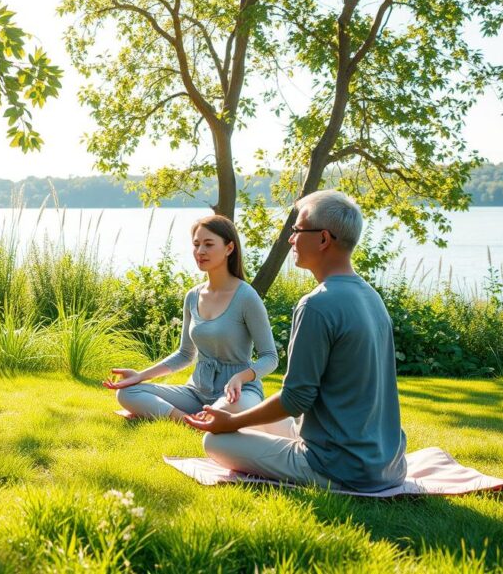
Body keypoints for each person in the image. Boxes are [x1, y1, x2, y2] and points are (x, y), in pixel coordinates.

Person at [186, 190, 408, 492]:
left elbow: (295, 400)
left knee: (214, 441)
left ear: (323, 239)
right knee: (257, 417)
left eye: (297, 230)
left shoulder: (317, 304)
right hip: (389, 464)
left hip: (336, 466)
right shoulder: (371, 296)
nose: (291, 238)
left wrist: (231, 423)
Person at [104, 215, 296, 437]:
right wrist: (140, 376)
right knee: (127, 392)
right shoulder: (192, 296)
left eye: (208, 244)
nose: (200, 251)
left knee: (227, 409)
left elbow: (270, 357)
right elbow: (185, 354)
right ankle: (186, 420)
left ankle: (212, 417)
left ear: (229, 248)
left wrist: (240, 377)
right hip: (197, 391)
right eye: (196, 244)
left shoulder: (246, 297)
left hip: (238, 393)